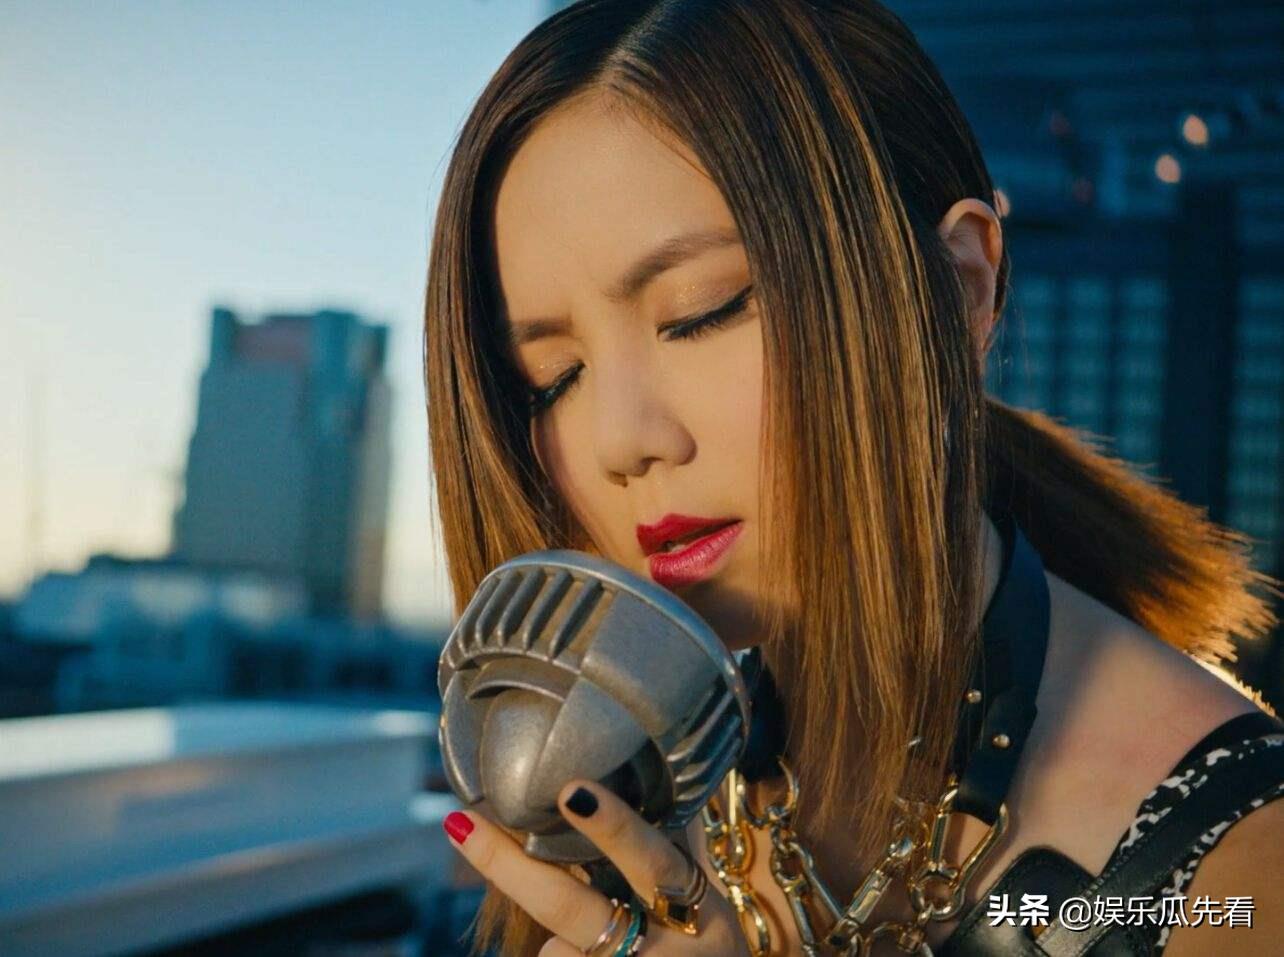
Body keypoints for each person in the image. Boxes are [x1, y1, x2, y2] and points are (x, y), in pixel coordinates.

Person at [422, 1, 1284, 954]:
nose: (618, 441)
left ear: (958, 287)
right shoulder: (632, 773)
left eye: (702, 311)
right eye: (551, 378)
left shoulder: (1243, 865)